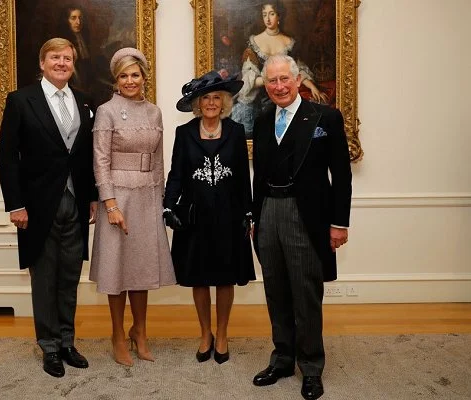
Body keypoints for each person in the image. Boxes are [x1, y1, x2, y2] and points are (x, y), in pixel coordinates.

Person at [251, 54, 352, 400]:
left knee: (306, 294)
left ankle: (311, 367)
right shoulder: (263, 119)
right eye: (272, 81)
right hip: (268, 213)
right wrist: (255, 217)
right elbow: (259, 174)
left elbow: (341, 175)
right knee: (275, 291)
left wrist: (339, 223)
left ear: (297, 80)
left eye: (284, 80)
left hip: (306, 214)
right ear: (266, 85)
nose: (278, 86)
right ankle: (282, 359)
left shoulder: (325, 117)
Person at [0, 38, 98, 378]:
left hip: (76, 203)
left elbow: (85, 156)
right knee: (44, 277)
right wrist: (16, 205)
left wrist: (93, 198)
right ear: (42, 63)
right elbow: (8, 156)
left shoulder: (84, 102)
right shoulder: (20, 100)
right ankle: (50, 346)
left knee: (70, 275)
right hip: (37, 206)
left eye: (67, 58)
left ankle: (68, 341)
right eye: (55, 57)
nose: (62, 62)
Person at [89, 47, 176, 366]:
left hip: (148, 197)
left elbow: (158, 159)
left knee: (142, 268)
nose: (130, 80)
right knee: (118, 269)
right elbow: (100, 159)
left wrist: (163, 200)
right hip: (118, 197)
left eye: (134, 74)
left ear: (143, 77)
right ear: (116, 79)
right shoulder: (106, 111)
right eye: (123, 75)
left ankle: (140, 332)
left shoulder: (155, 112)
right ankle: (116, 335)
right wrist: (109, 203)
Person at [164, 71, 256, 364]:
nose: (212, 103)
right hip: (196, 217)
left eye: (217, 97)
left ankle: (223, 332)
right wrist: (168, 206)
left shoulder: (237, 132)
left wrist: (249, 212)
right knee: (199, 278)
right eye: (206, 98)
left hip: (229, 217)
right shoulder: (185, 133)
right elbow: (176, 173)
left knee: (225, 277)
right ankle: (205, 334)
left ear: (225, 102)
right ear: (198, 104)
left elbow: (243, 177)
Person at [232, 2, 328, 138]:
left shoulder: (289, 42)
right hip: (259, 98)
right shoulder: (254, 42)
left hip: (285, 95)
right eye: (264, 15)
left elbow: (297, 70)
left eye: (271, 14)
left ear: (279, 16)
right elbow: (249, 79)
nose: (268, 19)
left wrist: (312, 87)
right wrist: (271, 81)